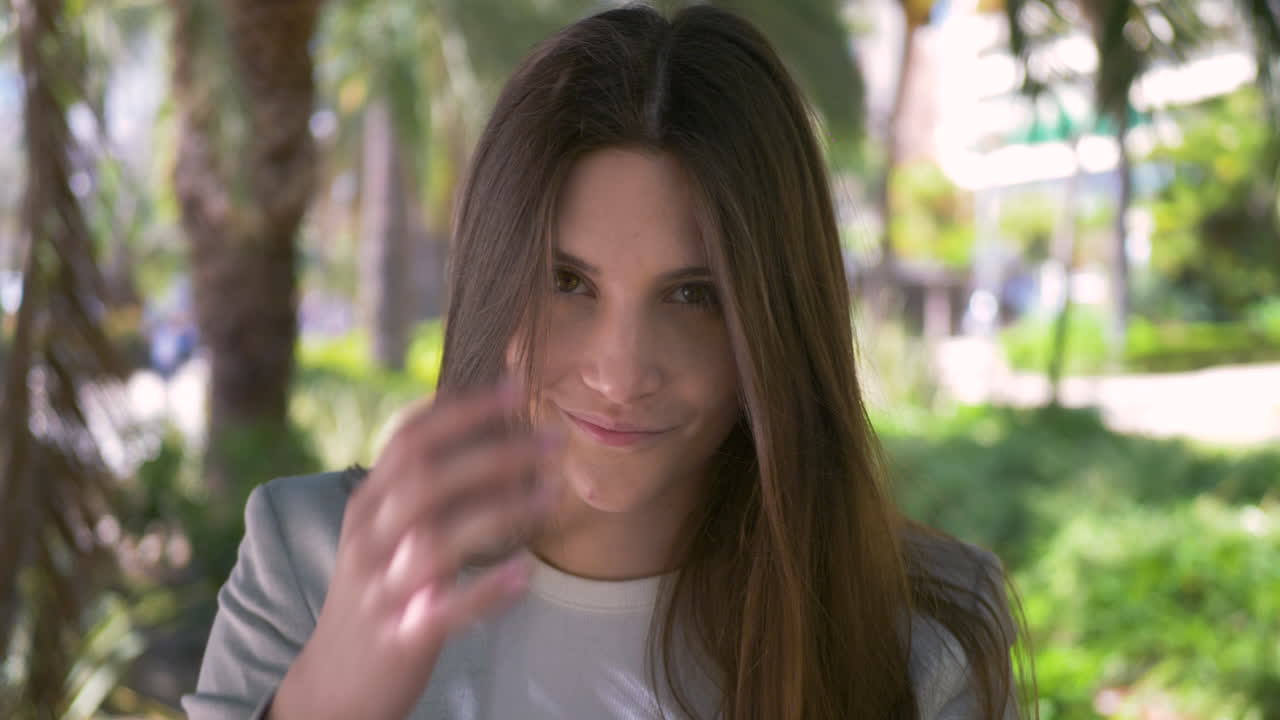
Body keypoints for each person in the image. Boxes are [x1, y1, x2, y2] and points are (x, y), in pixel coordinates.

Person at [182, 4, 1029, 719]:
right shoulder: (308, 558)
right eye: (567, 281)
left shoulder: (922, 628)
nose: (621, 374)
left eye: (695, 294)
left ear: (777, 318)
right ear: (492, 276)